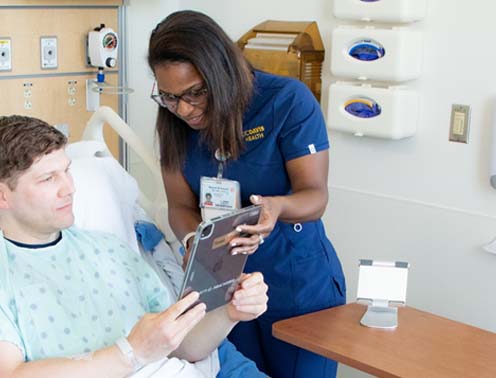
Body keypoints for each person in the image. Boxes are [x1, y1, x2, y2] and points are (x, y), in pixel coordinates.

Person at [0, 115, 271, 377]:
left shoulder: (109, 251)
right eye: (48, 179)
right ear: (0, 194)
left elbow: (181, 347)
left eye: (66, 171)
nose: (69, 189)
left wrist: (229, 314)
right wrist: (130, 353)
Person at [147, 10, 347, 378]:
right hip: (224, 285)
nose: (185, 109)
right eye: (170, 97)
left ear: (220, 71)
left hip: (294, 283)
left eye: (195, 92)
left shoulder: (286, 102)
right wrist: (195, 240)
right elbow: (179, 206)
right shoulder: (174, 124)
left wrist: (277, 207)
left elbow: (315, 196)